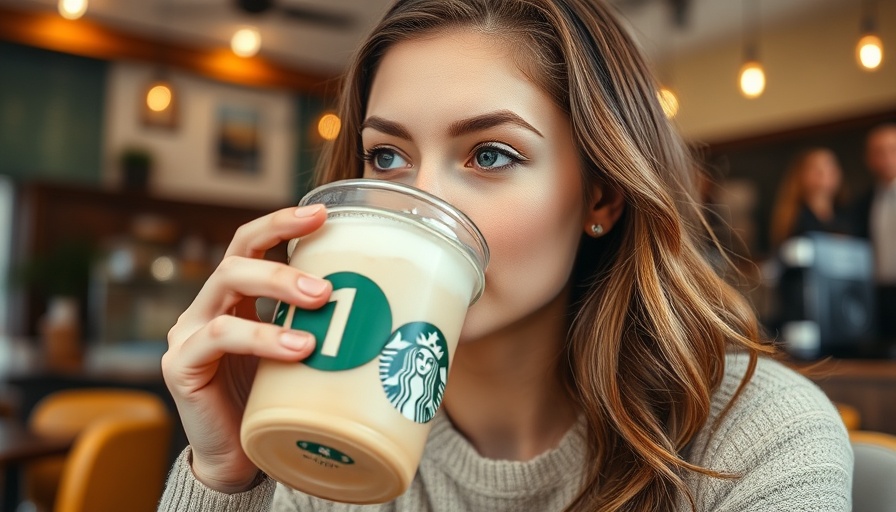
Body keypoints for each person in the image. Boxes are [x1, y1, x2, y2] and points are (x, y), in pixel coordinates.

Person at [158, 0, 853, 510]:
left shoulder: (756, 437)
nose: (423, 208)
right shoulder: (337, 429)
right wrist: (228, 476)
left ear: (600, 199)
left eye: (490, 154)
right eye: (388, 156)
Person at [850, 123, 896, 340]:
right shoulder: (863, 202)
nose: (886, 157)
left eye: (892, 149)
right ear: (869, 159)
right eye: (878, 152)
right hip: (877, 294)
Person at [769, 147, 851, 250]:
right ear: (801, 175)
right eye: (816, 169)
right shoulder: (794, 219)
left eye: (831, 167)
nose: (825, 173)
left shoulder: (850, 216)